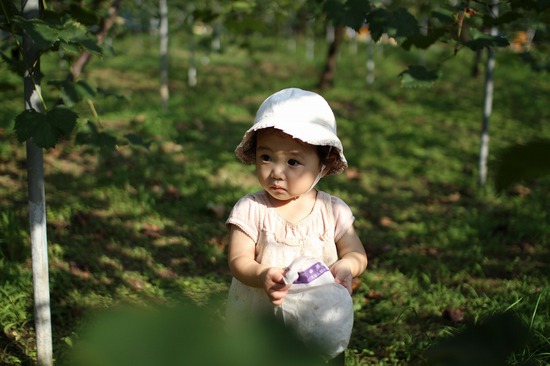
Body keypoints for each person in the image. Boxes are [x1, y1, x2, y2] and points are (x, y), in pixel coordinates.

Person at [225, 87, 368, 363]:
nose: (276, 172)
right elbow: (237, 259)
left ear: (322, 166)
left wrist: (347, 266)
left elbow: (357, 254)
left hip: (318, 319)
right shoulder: (252, 209)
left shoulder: (332, 210)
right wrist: (261, 275)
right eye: (266, 157)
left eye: (293, 161)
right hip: (261, 321)